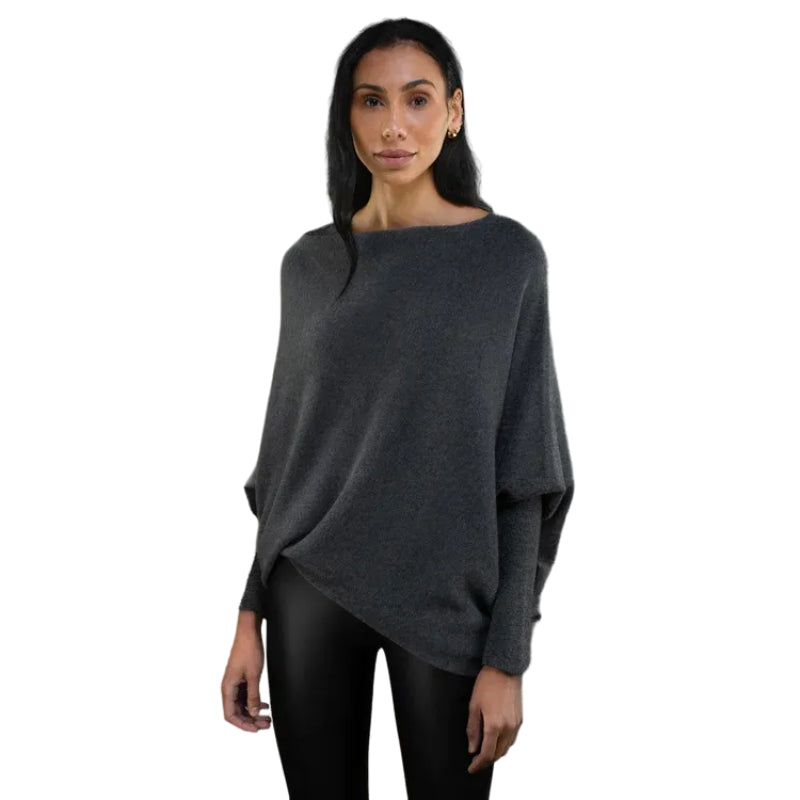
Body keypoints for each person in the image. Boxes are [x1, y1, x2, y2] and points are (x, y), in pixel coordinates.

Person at [220, 17, 574, 800]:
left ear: (454, 112)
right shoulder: (310, 265)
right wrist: (249, 615)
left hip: (450, 602)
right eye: (371, 101)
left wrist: (508, 655)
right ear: (346, 117)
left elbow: (526, 474)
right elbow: (288, 460)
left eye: (417, 100)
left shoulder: (507, 259)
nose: (393, 126)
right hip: (310, 585)